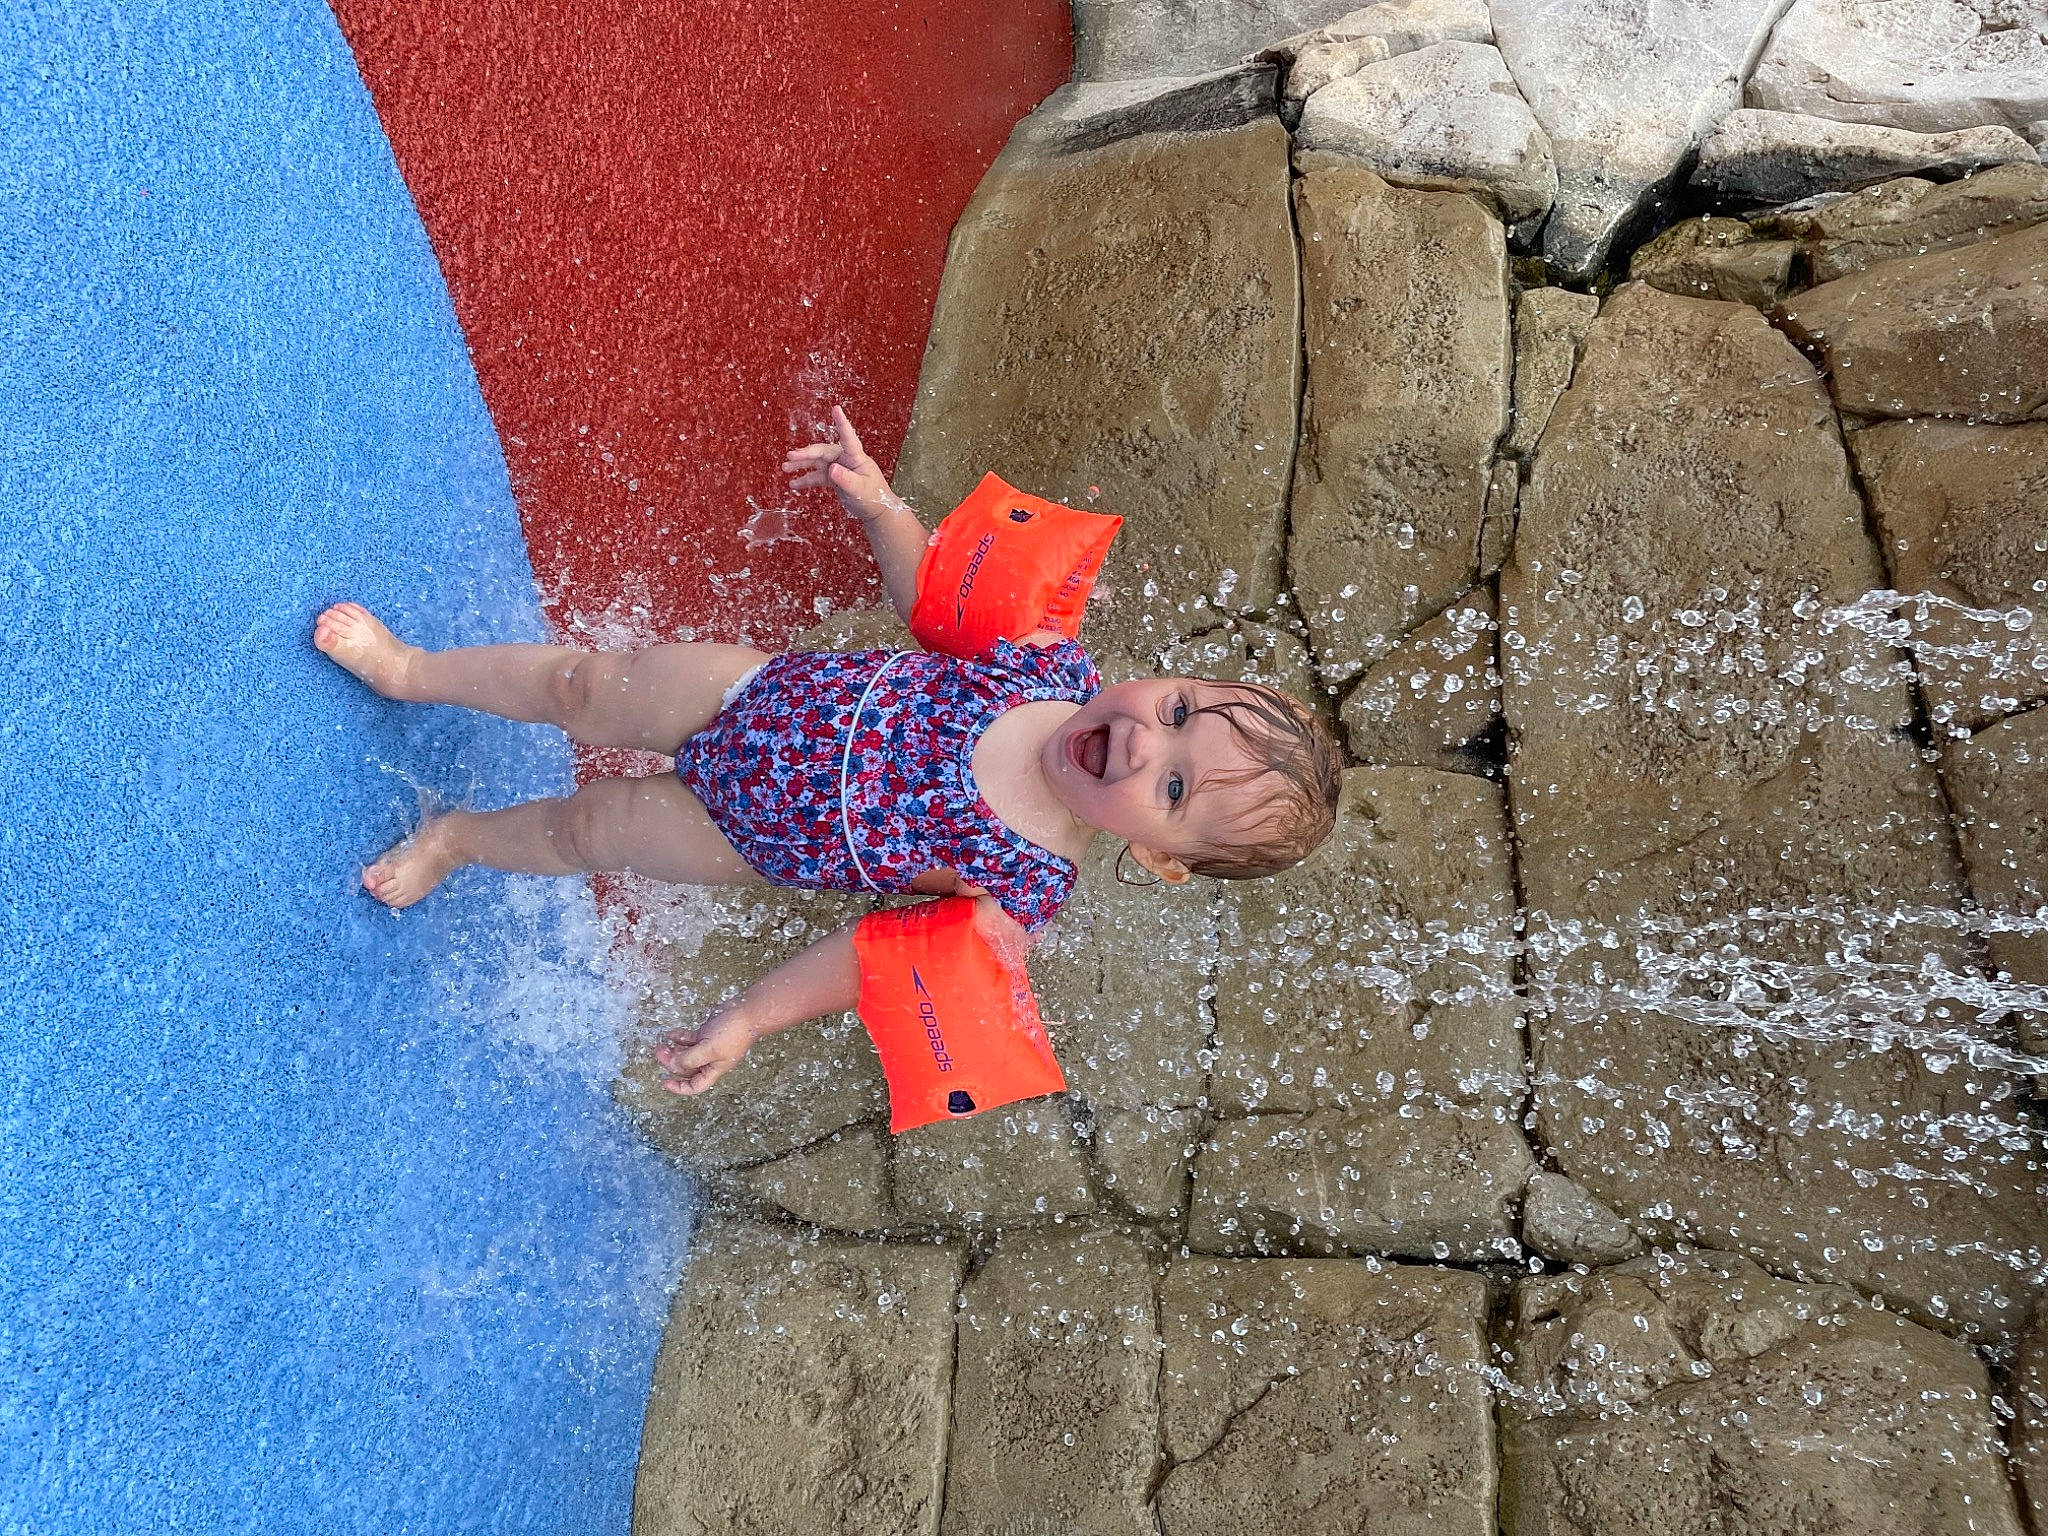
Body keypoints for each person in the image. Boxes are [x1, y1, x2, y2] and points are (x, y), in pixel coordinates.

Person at [313, 408, 1342, 1098]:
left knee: (590, 830)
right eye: (1172, 710)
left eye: (1170, 787)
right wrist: (880, 508)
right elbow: (929, 601)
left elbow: (865, 963)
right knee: (584, 683)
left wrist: (747, 1020)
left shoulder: (1017, 893)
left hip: (744, 835)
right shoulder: (1045, 665)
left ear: (1157, 857)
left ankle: (454, 839)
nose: (1139, 745)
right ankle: (412, 670)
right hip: (752, 693)